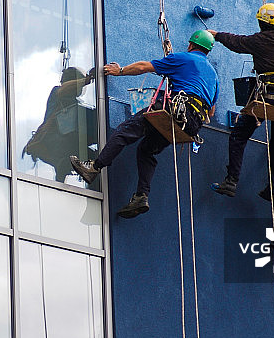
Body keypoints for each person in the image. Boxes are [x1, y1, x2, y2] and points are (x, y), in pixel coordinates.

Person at [70, 30, 219, 218]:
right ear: (208, 51)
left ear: (191, 45)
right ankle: (141, 196)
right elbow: (211, 112)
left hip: (177, 109)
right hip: (191, 125)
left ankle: (94, 168)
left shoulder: (184, 59)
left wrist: (120, 70)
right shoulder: (213, 75)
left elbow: (143, 67)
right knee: (146, 150)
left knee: (125, 130)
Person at [207, 2, 274, 200]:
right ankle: (273, 188)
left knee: (239, 135)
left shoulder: (259, 41)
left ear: (262, 23)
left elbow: (236, 42)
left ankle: (231, 181)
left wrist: (216, 35)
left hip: (267, 99)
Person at [23, 67, 96, 182]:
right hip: (53, 140)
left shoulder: (74, 104)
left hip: (62, 144)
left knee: (95, 160)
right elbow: (64, 89)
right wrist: (86, 81)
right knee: (69, 161)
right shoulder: (57, 92)